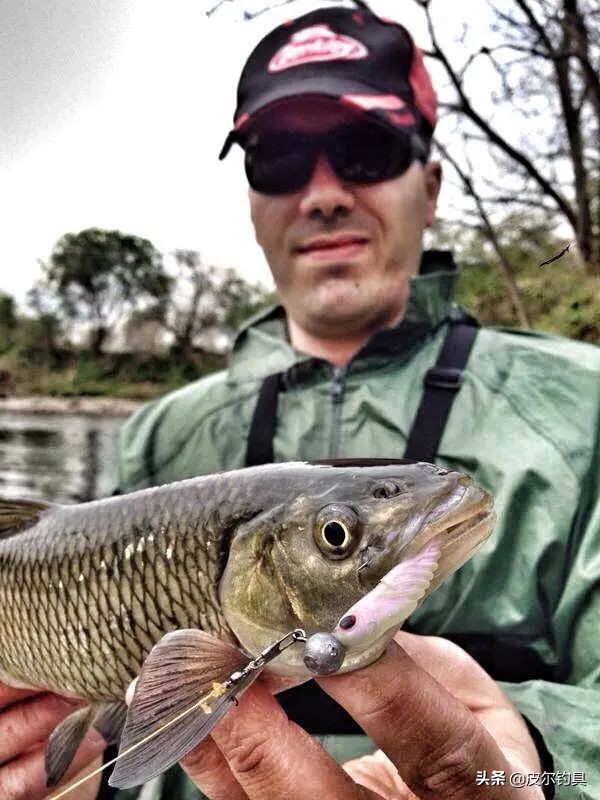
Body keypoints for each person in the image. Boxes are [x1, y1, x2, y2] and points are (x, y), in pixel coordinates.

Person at [1, 2, 598, 799]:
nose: (322, 193)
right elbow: (123, 740)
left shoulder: (584, 405)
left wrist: (540, 761)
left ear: (430, 182)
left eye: (364, 148)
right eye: (278, 159)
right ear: (252, 202)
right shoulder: (161, 431)